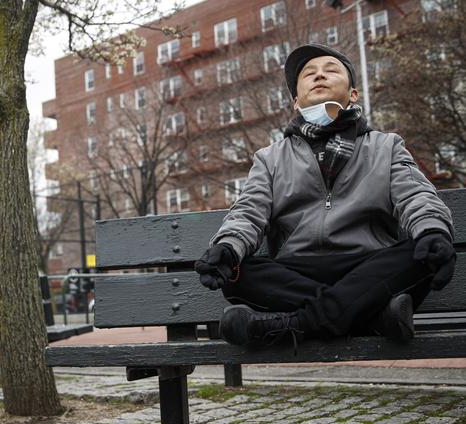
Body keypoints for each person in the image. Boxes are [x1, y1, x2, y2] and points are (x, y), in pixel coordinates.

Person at [194, 43, 456, 348]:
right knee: (239, 272)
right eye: (309, 74)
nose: (319, 76)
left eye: (331, 70)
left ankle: (292, 325)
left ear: (353, 94)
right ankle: (372, 317)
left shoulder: (387, 146)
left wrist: (432, 231)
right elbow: (249, 212)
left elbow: (416, 197)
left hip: (368, 264)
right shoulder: (270, 158)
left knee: (419, 254)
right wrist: (227, 248)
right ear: (295, 102)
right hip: (298, 270)